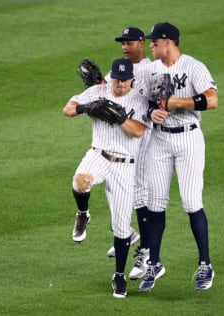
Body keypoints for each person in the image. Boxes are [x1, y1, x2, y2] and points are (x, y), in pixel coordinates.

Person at [137, 22, 219, 292]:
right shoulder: (151, 69)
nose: (150, 45)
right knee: (154, 203)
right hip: (159, 139)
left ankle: (205, 264)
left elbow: (212, 99)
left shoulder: (194, 66)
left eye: (154, 42)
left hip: (188, 139)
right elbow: (142, 101)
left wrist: (177, 102)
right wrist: (151, 113)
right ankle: (154, 264)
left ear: (168, 42)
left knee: (191, 202)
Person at [63, 58, 148, 298]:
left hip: (125, 166)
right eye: (117, 79)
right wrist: (85, 108)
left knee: (122, 229)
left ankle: (119, 276)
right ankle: (83, 213)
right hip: (98, 155)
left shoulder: (139, 100)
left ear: (132, 79)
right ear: (112, 77)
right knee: (80, 181)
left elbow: (139, 131)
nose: (120, 84)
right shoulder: (97, 91)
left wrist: (120, 118)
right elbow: (67, 109)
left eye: (125, 80)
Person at [103, 27, 153, 282]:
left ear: (141, 43)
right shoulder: (120, 68)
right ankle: (126, 234)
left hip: (143, 138)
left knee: (139, 193)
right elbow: (104, 92)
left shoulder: (151, 69)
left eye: (130, 42)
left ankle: (146, 254)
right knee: (111, 185)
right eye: (123, 42)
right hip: (117, 139)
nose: (125, 46)